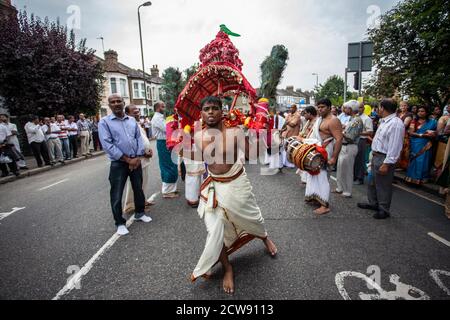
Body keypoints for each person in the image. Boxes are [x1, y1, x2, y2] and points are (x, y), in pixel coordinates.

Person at [185, 96, 277, 295]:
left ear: (222, 112)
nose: (210, 112)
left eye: (215, 108)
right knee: (215, 230)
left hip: (236, 183)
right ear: (201, 114)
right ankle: (228, 268)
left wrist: (258, 131)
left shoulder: (235, 132)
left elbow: (253, 155)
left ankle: (264, 237)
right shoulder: (199, 135)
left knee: (252, 217)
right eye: (206, 109)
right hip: (214, 187)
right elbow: (202, 157)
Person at [99, 94, 153, 236]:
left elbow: (138, 139)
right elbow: (107, 144)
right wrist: (128, 160)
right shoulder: (104, 122)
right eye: (113, 102)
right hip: (119, 163)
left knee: (138, 188)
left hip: (136, 161)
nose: (116, 103)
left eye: (119, 101)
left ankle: (140, 213)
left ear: (124, 103)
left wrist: (137, 157)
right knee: (116, 193)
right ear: (109, 105)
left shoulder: (131, 121)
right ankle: (119, 223)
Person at [358, 99, 405, 220]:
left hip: (384, 158)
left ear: (383, 108)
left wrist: (387, 163)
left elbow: (395, 146)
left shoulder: (395, 123)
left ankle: (384, 209)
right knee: (372, 182)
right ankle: (373, 203)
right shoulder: (384, 121)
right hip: (376, 155)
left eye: (379, 107)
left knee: (383, 185)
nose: (377, 109)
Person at [304, 98, 343, 215]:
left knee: (322, 177)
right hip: (317, 150)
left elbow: (339, 139)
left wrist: (334, 158)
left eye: (322, 107)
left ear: (329, 107)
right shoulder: (320, 119)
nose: (320, 109)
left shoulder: (333, 120)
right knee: (314, 174)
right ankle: (315, 197)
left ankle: (325, 205)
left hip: (326, 151)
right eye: (318, 107)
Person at [123, 105, 154, 215]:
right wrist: (143, 153)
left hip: (144, 157)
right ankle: (131, 205)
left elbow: (143, 139)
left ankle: (143, 201)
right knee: (135, 184)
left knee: (144, 181)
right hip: (137, 158)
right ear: (127, 114)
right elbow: (131, 143)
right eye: (134, 112)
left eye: (138, 111)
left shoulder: (136, 123)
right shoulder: (127, 125)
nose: (137, 113)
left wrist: (149, 150)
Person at [335, 100, 363, 198]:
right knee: (340, 168)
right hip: (344, 146)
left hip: (350, 146)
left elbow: (351, 137)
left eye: (346, 108)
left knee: (347, 170)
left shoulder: (357, 120)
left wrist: (340, 131)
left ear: (350, 109)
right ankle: (340, 188)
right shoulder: (351, 119)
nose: (344, 109)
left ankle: (347, 191)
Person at [151, 101, 179, 198]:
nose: (165, 108)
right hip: (163, 143)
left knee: (172, 164)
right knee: (168, 165)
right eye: (163, 106)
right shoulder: (157, 118)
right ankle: (167, 191)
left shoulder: (161, 117)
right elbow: (167, 129)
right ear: (158, 108)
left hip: (167, 142)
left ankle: (172, 188)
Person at [405, 106, 437, 185]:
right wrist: (423, 135)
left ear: (426, 112)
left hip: (427, 144)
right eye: (419, 111)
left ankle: (421, 179)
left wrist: (432, 135)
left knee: (424, 160)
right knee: (415, 159)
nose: (420, 112)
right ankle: (411, 178)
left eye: (422, 111)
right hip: (416, 143)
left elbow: (435, 133)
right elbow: (411, 132)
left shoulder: (432, 122)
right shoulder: (414, 121)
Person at [354, 103, 374, 185]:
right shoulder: (354, 117)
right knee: (354, 159)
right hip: (353, 140)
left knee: (360, 159)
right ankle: (354, 176)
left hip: (361, 140)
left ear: (363, 108)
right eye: (357, 107)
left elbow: (370, 132)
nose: (359, 109)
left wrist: (358, 133)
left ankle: (360, 178)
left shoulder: (367, 119)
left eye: (361, 107)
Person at [297, 106, 318, 184]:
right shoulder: (309, 121)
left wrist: (303, 139)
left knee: (309, 163)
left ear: (309, 113)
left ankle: (309, 181)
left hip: (312, 145)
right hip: (306, 143)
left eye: (305, 113)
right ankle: (306, 180)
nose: (303, 115)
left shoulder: (316, 121)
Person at [396, 101, 413, 170]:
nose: (403, 107)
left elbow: (404, 125)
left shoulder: (409, 115)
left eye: (405, 105)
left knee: (403, 149)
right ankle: (396, 164)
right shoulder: (398, 114)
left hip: (404, 134)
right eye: (401, 106)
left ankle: (402, 166)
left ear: (407, 106)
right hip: (397, 133)